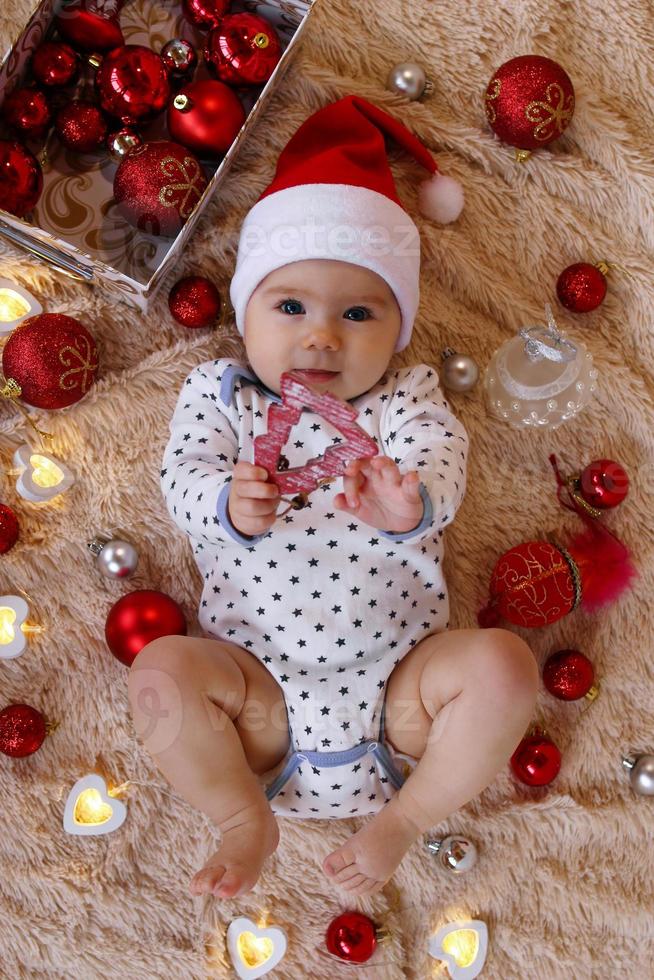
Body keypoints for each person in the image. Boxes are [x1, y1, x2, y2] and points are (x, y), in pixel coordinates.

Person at [127, 95, 538, 900]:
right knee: (161, 670)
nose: (322, 336)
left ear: (399, 329)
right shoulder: (222, 396)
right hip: (256, 696)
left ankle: (408, 817)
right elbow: (178, 476)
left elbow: (442, 457)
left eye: (358, 312)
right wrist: (226, 504)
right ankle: (239, 814)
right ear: (245, 310)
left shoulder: (401, 400)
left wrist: (408, 504)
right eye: (290, 307)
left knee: (503, 665)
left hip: (404, 697)